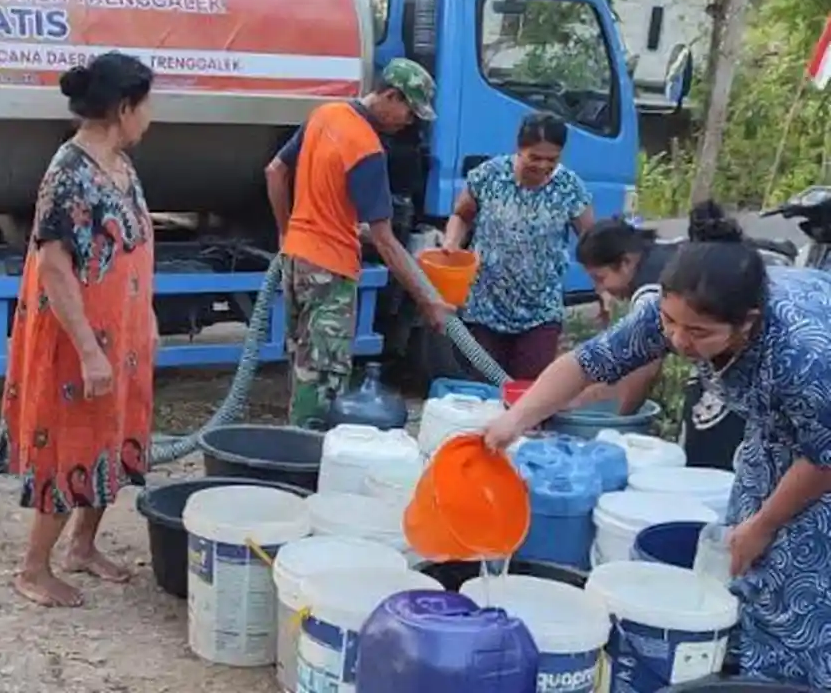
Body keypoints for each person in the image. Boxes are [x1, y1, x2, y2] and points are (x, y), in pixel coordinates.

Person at [484, 202, 831, 689]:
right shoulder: (680, 310)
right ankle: (743, 665)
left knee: (801, 588)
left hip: (825, 447)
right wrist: (516, 419)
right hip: (777, 438)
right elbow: (590, 361)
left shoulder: (803, 352)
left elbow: (823, 458)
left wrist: (765, 523)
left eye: (699, 333)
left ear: (747, 323)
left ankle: (794, 680)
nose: (678, 339)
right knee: (743, 563)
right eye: (670, 323)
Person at [0, 52, 157, 608]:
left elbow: (133, 247)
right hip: (79, 338)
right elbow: (54, 266)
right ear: (123, 107)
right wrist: (89, 351)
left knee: (112, 436)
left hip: (125, 335)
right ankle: (33, 569)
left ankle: (82, 547)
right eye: (146, 105)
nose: (151, 116)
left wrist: (148, 320)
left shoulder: (120, 165)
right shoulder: (69, 173)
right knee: (73, 443)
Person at [264, 58, 455, 429]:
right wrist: (429, 300)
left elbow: (275, 171)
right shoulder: (366, 147)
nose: (409, 122)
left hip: (296, 262)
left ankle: (296, 445)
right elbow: (385, 241)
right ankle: (309, 461)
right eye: (409, 111)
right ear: (389, 95)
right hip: (331, 274)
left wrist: (286, 232)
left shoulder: (325, 114)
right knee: (322, 380)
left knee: (303, 369)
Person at [574, 211, 745, 470]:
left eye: (600, 278)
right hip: (729, 355)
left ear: (626, 262)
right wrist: (584, 396)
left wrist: (616, 426)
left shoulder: (652, 290)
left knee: (711, 457)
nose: (601, 288)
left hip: (743, 363)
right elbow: (601, 362)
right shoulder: (662, 253)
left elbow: (644, 368)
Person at [442, 111, 595, 380]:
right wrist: (452, 243)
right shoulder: (489, 176)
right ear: (519, 148)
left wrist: (603, 286)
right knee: (484, 393)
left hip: (540, 311)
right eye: (534, 157)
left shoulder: (569, 187)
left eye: (552, 159)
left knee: (528, 396)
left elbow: (591, 240)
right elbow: (462, 215)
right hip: (484, 307)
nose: (543, 166)